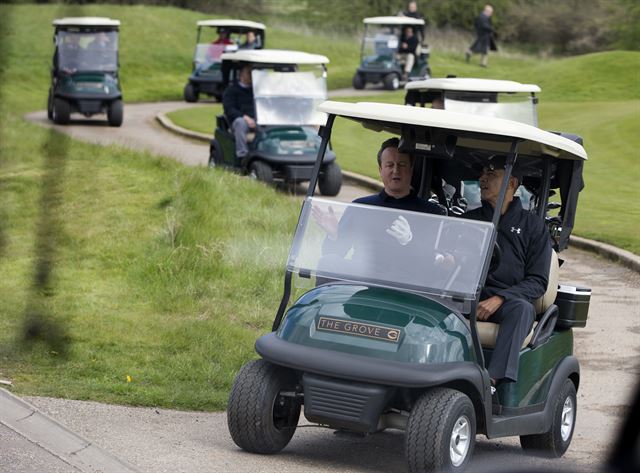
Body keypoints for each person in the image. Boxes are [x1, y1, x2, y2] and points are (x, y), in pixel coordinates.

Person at [462, 155, 552, 388]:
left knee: (522, 310)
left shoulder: (533, 226)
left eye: (491, 174)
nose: (482, 179)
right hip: (468, 295)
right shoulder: (468, 220)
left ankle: (491, 382)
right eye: (482, 173)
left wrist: (501, 298)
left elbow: (538, 281)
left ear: (512, 183)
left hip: (508, 301)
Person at [313, 138, 445, 275]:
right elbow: (334, 253)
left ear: (411, 169)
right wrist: (334, 235)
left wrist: (410, 241)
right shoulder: (361, 207)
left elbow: (434, 265)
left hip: (408, 287)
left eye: (402, 164)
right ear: (380, 170)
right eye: (389, 165)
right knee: (328, 262)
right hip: (363, 283)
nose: (395, 170)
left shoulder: (430, 212)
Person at [222, 63, 255, 161]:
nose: (251, 75)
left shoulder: (256, 90)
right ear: (241, 74)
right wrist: (246, 118)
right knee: (240, 123)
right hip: (240, 120)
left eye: (252, 73)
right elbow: (229, 109)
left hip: (256, 119)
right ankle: (242, 156)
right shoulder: (231, 90)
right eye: (249, 73)